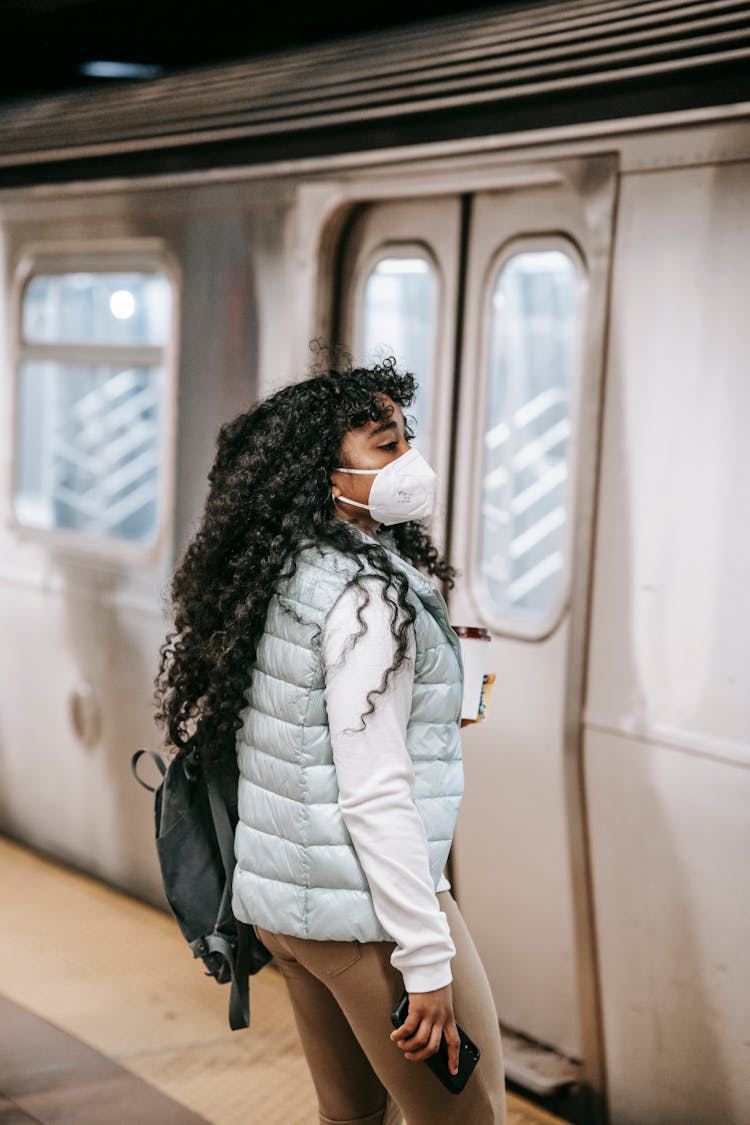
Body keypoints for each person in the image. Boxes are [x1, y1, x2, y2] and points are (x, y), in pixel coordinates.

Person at [154, 359, 506, 1125]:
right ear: (325, 473)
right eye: (386, 446)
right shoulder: (367, 602)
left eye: (407, 439)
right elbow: (374, 789)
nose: (411, 462)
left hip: (287, 906)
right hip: (365, 914)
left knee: (350, 1118)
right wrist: (424, 955)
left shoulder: (289, 569)